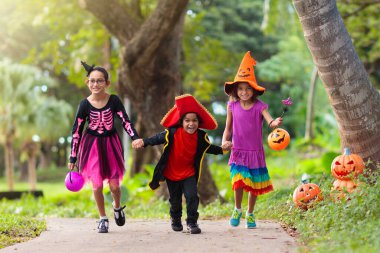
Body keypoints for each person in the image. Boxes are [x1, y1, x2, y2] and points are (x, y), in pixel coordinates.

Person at [133, 94, 229, 234]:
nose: (191, 124)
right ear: (181, 122)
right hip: (172, 173)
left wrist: (223, 149)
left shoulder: (201, 137)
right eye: (187, 121)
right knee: (175, 200)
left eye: (194, 120)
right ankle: (176, 219)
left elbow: (210, 148)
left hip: (189, 173)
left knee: (192, 196)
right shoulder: (171, 133)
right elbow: (156, 139)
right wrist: (143, 142)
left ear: (198, 122)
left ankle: (192, 222)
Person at [68, 61, 140, 233]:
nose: (95, 84)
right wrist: (73, 156)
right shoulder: (84, 104)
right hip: (91, 145)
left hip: (111, 144)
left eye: (100, 81)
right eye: (92, 81)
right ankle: (102, 218)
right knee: (97, 185)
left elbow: (125, 120)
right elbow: (76, 130)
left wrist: (135, 137)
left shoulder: (113, 100)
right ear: (87, 83)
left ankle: (116, 207)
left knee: (115, 187)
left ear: (107, 83)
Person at [221, 51, 282, 229]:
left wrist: (274, 122)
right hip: (238, 150)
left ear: (253, 90)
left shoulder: (259, 106)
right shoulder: (232, 106)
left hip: (255, 152)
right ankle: (237, 208)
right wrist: (224, 142)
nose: (244, 92)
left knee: (253, 185)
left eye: (247, 89)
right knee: (239, 181)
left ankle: (250, 213)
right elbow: (228, 128)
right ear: (235, 90)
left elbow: (269, 119)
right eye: (240, 89)